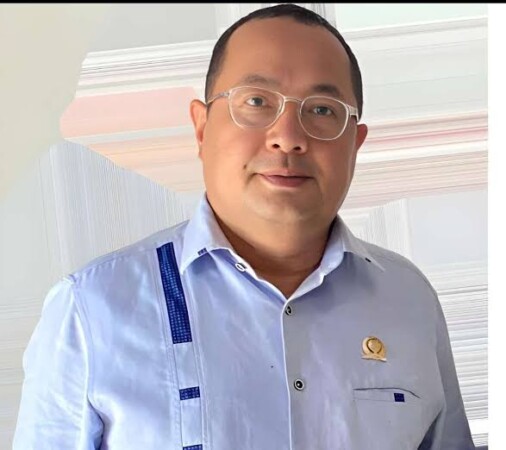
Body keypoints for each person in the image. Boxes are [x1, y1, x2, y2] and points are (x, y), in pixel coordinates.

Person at [13, 4, 475, 450]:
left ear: (355, 143)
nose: (288, 137)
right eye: (256, 101)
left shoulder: (408, 300)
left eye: (322, 110)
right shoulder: (91, 310)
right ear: (201, 127)